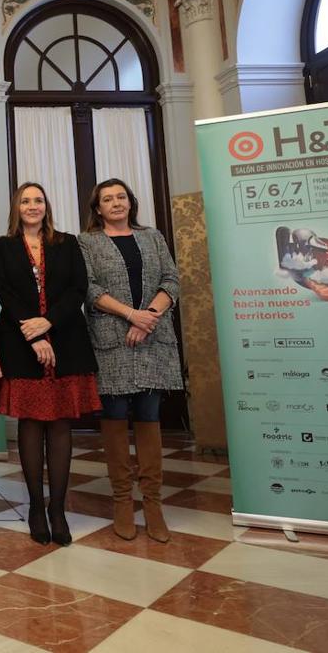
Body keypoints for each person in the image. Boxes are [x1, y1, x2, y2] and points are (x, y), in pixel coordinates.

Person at [0, 182, 100, 546]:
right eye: (25, 200)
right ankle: (36, 507)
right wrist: (34, 334)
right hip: (21, 344)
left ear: (47, 206)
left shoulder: (68, 243)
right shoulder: (2, 247)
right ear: (16, 207)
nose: (33, 206)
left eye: (38, 200)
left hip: (66, 339)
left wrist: (49, 323)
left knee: (60, 424)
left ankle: (58, 509)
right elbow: (4, 292)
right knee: (32, 422)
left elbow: (78, 289)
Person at [79, 178, 181, 543]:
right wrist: (130, 315)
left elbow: (172, 279)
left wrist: (148, 316)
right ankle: (123, 500)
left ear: (130, 202)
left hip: (152, 340)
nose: (116, 203)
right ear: (98, 207)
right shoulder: (87, 242)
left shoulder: (152, 236)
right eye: (107, 199)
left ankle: (153, 503)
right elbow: (89, 289)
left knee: (150, 416)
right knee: (115, 416)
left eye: (121, 196)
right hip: (113, 341)